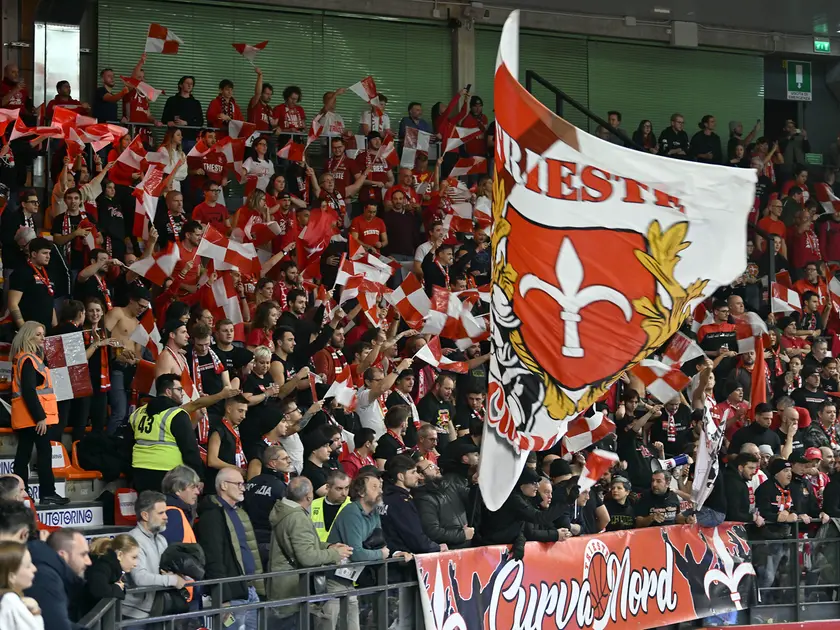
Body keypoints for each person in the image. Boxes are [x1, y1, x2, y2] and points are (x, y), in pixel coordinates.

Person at [267, 477, 352, 626]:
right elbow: (307, 557)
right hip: (292, 590)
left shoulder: (284, 509)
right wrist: (335, 554)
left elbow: (304, 543)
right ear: (308, 496)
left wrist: (329, 546)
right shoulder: (297, 517)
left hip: (282, 584)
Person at [130, 373, 233, 493]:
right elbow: (190, 448)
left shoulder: (138, 413)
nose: (182, 393)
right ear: (168, 392)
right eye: (179, 389)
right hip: (168, 473)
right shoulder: (176, 414)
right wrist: (199, 476)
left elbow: (129, 442)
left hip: (138, 470)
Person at [195, 468, 264, 630]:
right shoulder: (211, 516)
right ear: (224, 485)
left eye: (243, 484)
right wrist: (222, 598)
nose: (242, 488)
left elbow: (250, 550)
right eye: (238, 484)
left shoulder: (239, 513)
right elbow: (214, 558)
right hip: (231, 594)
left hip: (249, 589)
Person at [323, 473, 391, 630]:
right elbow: (357, 554)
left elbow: (379, 543)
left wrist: (390, 553)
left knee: (353, 622)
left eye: (380, 487)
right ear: (361, 492)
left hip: (350, 578)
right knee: (329, 623)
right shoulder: (351, 513)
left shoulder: (374, 512)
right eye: (374, 487)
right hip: (334, 579)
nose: (380, 490)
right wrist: (380, 554)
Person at [10, 322, 65, 505]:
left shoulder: (25, 358)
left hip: (27, 416)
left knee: (24, 454)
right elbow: (29, 391)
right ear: (28, 336)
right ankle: (46, 492)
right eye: (38, 334)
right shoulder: (28, 360)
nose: (43, 338)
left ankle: (21, 493)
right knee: (42, 452)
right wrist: (40, 417)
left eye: (43, 334)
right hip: (34, 417)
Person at [124, 491, 187, 621]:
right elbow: (140, 578)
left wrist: (175, 574)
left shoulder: (161, 540)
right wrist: (172, 580)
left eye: (165, 512)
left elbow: (164, 570)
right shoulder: (132, 540)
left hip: (157, 609)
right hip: (134, 615)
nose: (166, 517)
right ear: (145, 515)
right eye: (160, 513)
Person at [243, 445, 292, 565]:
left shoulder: (251, 482)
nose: (289, 461)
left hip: (248, 537)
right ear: (273, 463)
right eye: (284, 459)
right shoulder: (279, 486)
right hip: (270, 539)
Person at [414, 455, 473, 548]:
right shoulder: (424, 499)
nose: (437, 468)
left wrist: (476, 483)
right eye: (431, 467)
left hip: (466, 547)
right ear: (421, 476)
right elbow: (433, 532)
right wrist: (462, 535)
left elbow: (473, 497)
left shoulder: (450, 486)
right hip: (448, 551)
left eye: (435, 465)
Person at [8, 237, 57, 332]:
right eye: (44, 253)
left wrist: (55, 328)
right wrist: (23, 328)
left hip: (46, 330)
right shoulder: (21, 272)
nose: (48, 256)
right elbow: (12, 304)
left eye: (49, 253)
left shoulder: (48, 274)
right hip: (28, 331)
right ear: (34, 254)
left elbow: (50, 303)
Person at [82, 534, 139, 616]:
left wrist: (118, 588)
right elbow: (99, 590)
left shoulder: (112, 565)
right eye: (133, 557)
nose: (136, 564)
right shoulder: (102, 565)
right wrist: (117, 588)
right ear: (120, 555)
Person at [0, 540, 42, 630]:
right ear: (11, 577)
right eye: (28, 566)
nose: (34, 568)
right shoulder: (10, 601)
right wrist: (36, 613)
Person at [160, 465, 201, 546]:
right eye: (193, 487)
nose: (197, 492)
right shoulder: (173, 514)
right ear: (178, 489)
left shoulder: (172, 510)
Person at [310, 471, 351, 545]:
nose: (344, 493)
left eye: (346, 488)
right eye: (339, 489)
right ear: (327, 487)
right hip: (316, 548)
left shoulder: (352, 506)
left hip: (342, 550)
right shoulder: (313, 505)